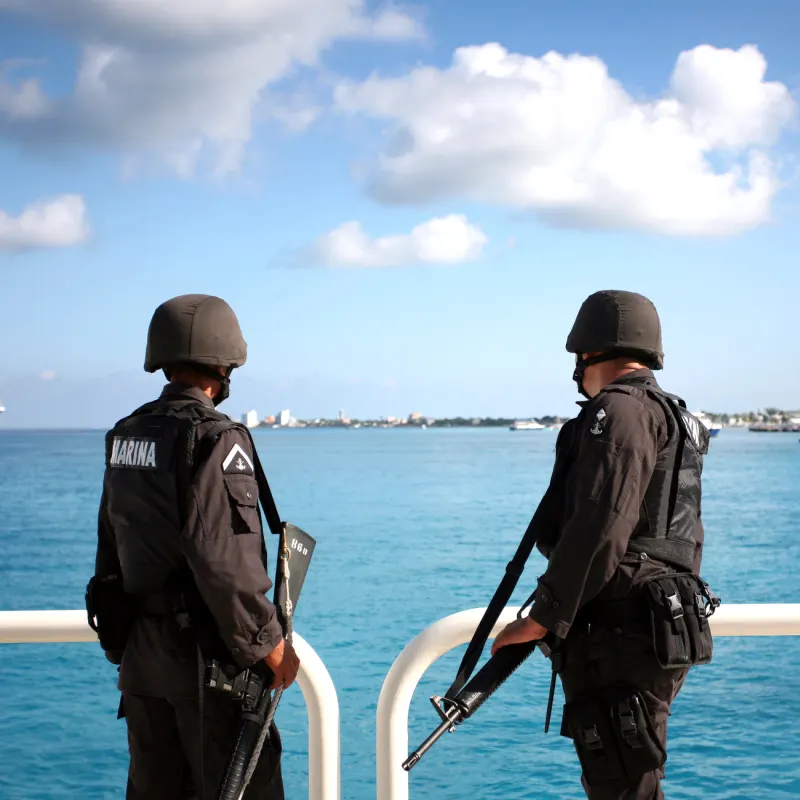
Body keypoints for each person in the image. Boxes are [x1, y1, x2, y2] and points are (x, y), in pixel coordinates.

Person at [492, 289, 716, 800]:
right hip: (661, 623)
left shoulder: (618, 411)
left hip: (622, 631)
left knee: (621, 786)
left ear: (589, 353)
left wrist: (544, 616)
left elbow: (600, 527)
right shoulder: (673, 415)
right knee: (631, 781)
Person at [90, 294, 299, 799]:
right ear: (224, 365)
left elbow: (110, 549)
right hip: (210, 679)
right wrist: (273, 651)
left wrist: (123, 648)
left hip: (143, 672)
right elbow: (225, 562)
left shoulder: (128, 434)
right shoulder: (216, 440)